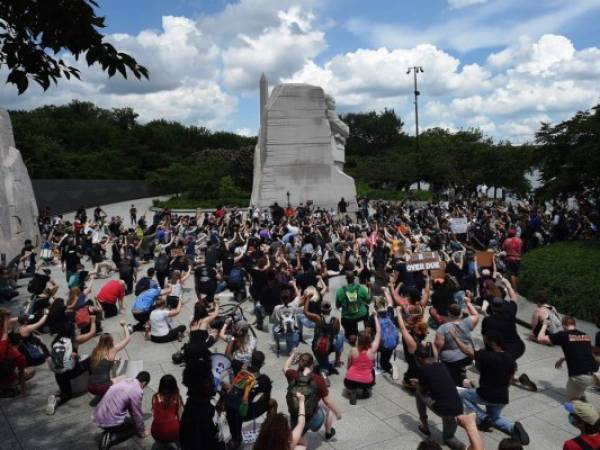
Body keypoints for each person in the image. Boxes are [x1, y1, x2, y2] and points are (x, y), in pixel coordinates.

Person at [453, 330, 530, 446]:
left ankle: (482, 417)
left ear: (493, 343)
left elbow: (466, 350)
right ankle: (514, 428)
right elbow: (511, 379)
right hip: (502, 397)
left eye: (487, 340)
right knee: (495, 419)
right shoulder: (510, 358)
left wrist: (454, 337)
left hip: (487, 394)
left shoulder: (487, 355)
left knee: (461, 395)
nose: (485, 342)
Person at [481, 275, 537, 391]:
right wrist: (508, 284)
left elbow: (486, 338)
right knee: (508, 361)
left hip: (505, 351)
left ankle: (512, 377)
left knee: (497, 366)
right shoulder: (511, 311)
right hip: (519, 347)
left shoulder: (488, 320)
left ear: (492, 307)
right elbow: (513, 297)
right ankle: (514, 374)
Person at [410, 342, 466, 450]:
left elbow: (423, 390)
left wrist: (417, 384)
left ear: (418, 359)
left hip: (444, 409)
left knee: (418, 393)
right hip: (458, 407)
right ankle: (466, 448)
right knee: (449, 438)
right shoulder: (441, 365)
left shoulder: (422, 370)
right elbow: (437, 381)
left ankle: (425, 427)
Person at [536, 316, 599, 401]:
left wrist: (544, 325)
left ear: (564, 325)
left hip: (579, 377)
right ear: (574, 324)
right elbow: (581, 352)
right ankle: (581, 395)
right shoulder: (585, 335)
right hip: (595, 374)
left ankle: (580, 404)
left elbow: (540, 338)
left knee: (573, 401)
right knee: (580, 387)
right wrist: (563, 358)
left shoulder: (563, 335)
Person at [283, 351, 342, 441]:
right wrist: (338, 413)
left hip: (295, 416)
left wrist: (293, 354)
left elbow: (285, 367)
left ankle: (300, 432)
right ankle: (328, 433)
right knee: (328, 409)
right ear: (312, 365)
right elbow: (328, 401)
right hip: (313, 419)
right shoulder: (318, 380)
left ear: (299, 363)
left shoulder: (292, 374)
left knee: (299, 441)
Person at [226, 351, 278, 449]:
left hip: (229, 409)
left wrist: (233, 339)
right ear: (262, 363)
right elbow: (266, 398)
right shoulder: (264, 379)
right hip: (244, 412)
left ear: (250, 360)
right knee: (273, 403)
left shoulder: (239, 368)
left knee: (236, 440)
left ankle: (235, 438)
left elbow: (228, 355)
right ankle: (268, 432)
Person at [47, 319, 97, 414]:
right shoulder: (74, 340)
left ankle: (56, 400)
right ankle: (95, 381)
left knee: (66, 394)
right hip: (71, 371)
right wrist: (93, 321)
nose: (77, 330)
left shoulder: (56, 342)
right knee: (91, 359)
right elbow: (92, 333)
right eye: (76, 328)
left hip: (59, 374)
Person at [94, 371, 151, 450]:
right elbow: (136, 414)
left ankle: (110, 430)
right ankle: (111, 436)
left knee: (129, 420)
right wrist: (142, 432)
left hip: (98, 415)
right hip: (109, 420)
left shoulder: (126, 381)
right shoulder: (137, 390)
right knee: (134, 425)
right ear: (144, 383)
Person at [179, 359, 226, 450]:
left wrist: (222, 399)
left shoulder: (197, 404)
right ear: (199, 386)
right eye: (209, 381)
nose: (213, 384)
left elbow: (214, 415)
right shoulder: (198, 417)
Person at [435, 293, 479, 387]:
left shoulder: (443, 328)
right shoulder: (467, 322)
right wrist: (468, 303)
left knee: (451, 379)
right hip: (467, 357)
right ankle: (462, 372)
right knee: (459, 369)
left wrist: (434, 362)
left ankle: (465, 383)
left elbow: (438, 347)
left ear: (448, 313)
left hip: (450, 361)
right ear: (460, 313)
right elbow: (475, 314)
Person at [344, 307, 380, 405]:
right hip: (366, 381)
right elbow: (378, 333)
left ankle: (353, 391)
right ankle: (365, 390)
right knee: (371, 370)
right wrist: (375, 317)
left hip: (350, 381)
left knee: (352, 371)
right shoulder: (372, 351)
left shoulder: (353, 350)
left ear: (358, 340)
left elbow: (348, 367)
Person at [302, 299, 344, 379]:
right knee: (340, 337)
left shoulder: (317, 318)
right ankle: (337, 361)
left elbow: (305, 312)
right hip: (329, 347)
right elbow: (336, 333)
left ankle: (324, 376)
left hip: (317, 348)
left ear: (321, 309)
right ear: (330, 309)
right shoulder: (336, 320)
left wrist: (307, 298)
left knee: (323, 368)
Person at [88, 321, 131, 397]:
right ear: (110, 342)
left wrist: (113, 360)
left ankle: (104, 393)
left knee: (106, 374)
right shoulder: (112, 350)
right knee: (125, 377)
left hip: (90, 386)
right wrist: (124, 325)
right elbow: (127, 338)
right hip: (102, 387)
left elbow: (101, 364)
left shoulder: (95, 351)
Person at [0, 309, 32, 397]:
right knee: (30, 371)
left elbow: (5, 333)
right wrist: (24, 393)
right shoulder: (17, 356)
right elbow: (5, 333)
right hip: (9, 381)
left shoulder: (3, 344)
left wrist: (6, 320)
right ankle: (11, 388)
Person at [336, 272, 370, 340]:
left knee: (351, 335)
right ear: (354, 278)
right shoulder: (361, 288)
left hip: (348, 317)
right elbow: (368, 301)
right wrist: (369, 288)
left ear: (346, 279)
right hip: (361, 315)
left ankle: (352, 334)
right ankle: (366, 327)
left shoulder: (340, 291)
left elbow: (337, 306)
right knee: (366, 307)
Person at [151, 374, 184, 447]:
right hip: (172, 433)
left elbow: (155, 413)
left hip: (156, 432)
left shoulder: (155, 397)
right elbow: (180, 417)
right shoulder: (176, 398)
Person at [271, 289, 301, 355]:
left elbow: (273, 320)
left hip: (281, 333)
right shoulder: (294, 305)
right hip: (293, 333)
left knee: (273, 327)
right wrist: (294, 285)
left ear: (280, 299)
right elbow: (299, 295)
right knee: (290, 352)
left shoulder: (276, 308)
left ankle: (278, 344)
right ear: (290, 298)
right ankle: (292, 348)